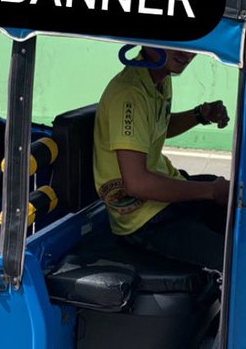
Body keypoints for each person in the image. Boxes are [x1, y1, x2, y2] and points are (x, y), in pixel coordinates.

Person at [93, 46, 230, 270]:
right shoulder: (129, 94)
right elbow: (137, 184)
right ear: (147, 41)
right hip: (142, 219)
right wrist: (212, 190)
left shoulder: (159, 79)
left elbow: (160, 126)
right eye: (175, 42)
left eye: (193, 44)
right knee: (231, 260)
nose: (187, 53)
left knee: (235, 210)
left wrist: (200, 115)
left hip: (161, 200)